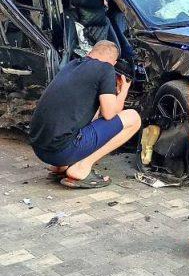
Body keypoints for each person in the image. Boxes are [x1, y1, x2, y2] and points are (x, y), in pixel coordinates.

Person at [28, 40, 141, 188]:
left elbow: (85, 111)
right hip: (60, 151)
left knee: (86, 115)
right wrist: (123, 91)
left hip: (40, 149)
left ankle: (60, 166)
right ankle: (81, 167)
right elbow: (109, 114)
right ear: (113, 62)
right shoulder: (106, 69)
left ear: (90, 53)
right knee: (133, 117)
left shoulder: (72, 65)